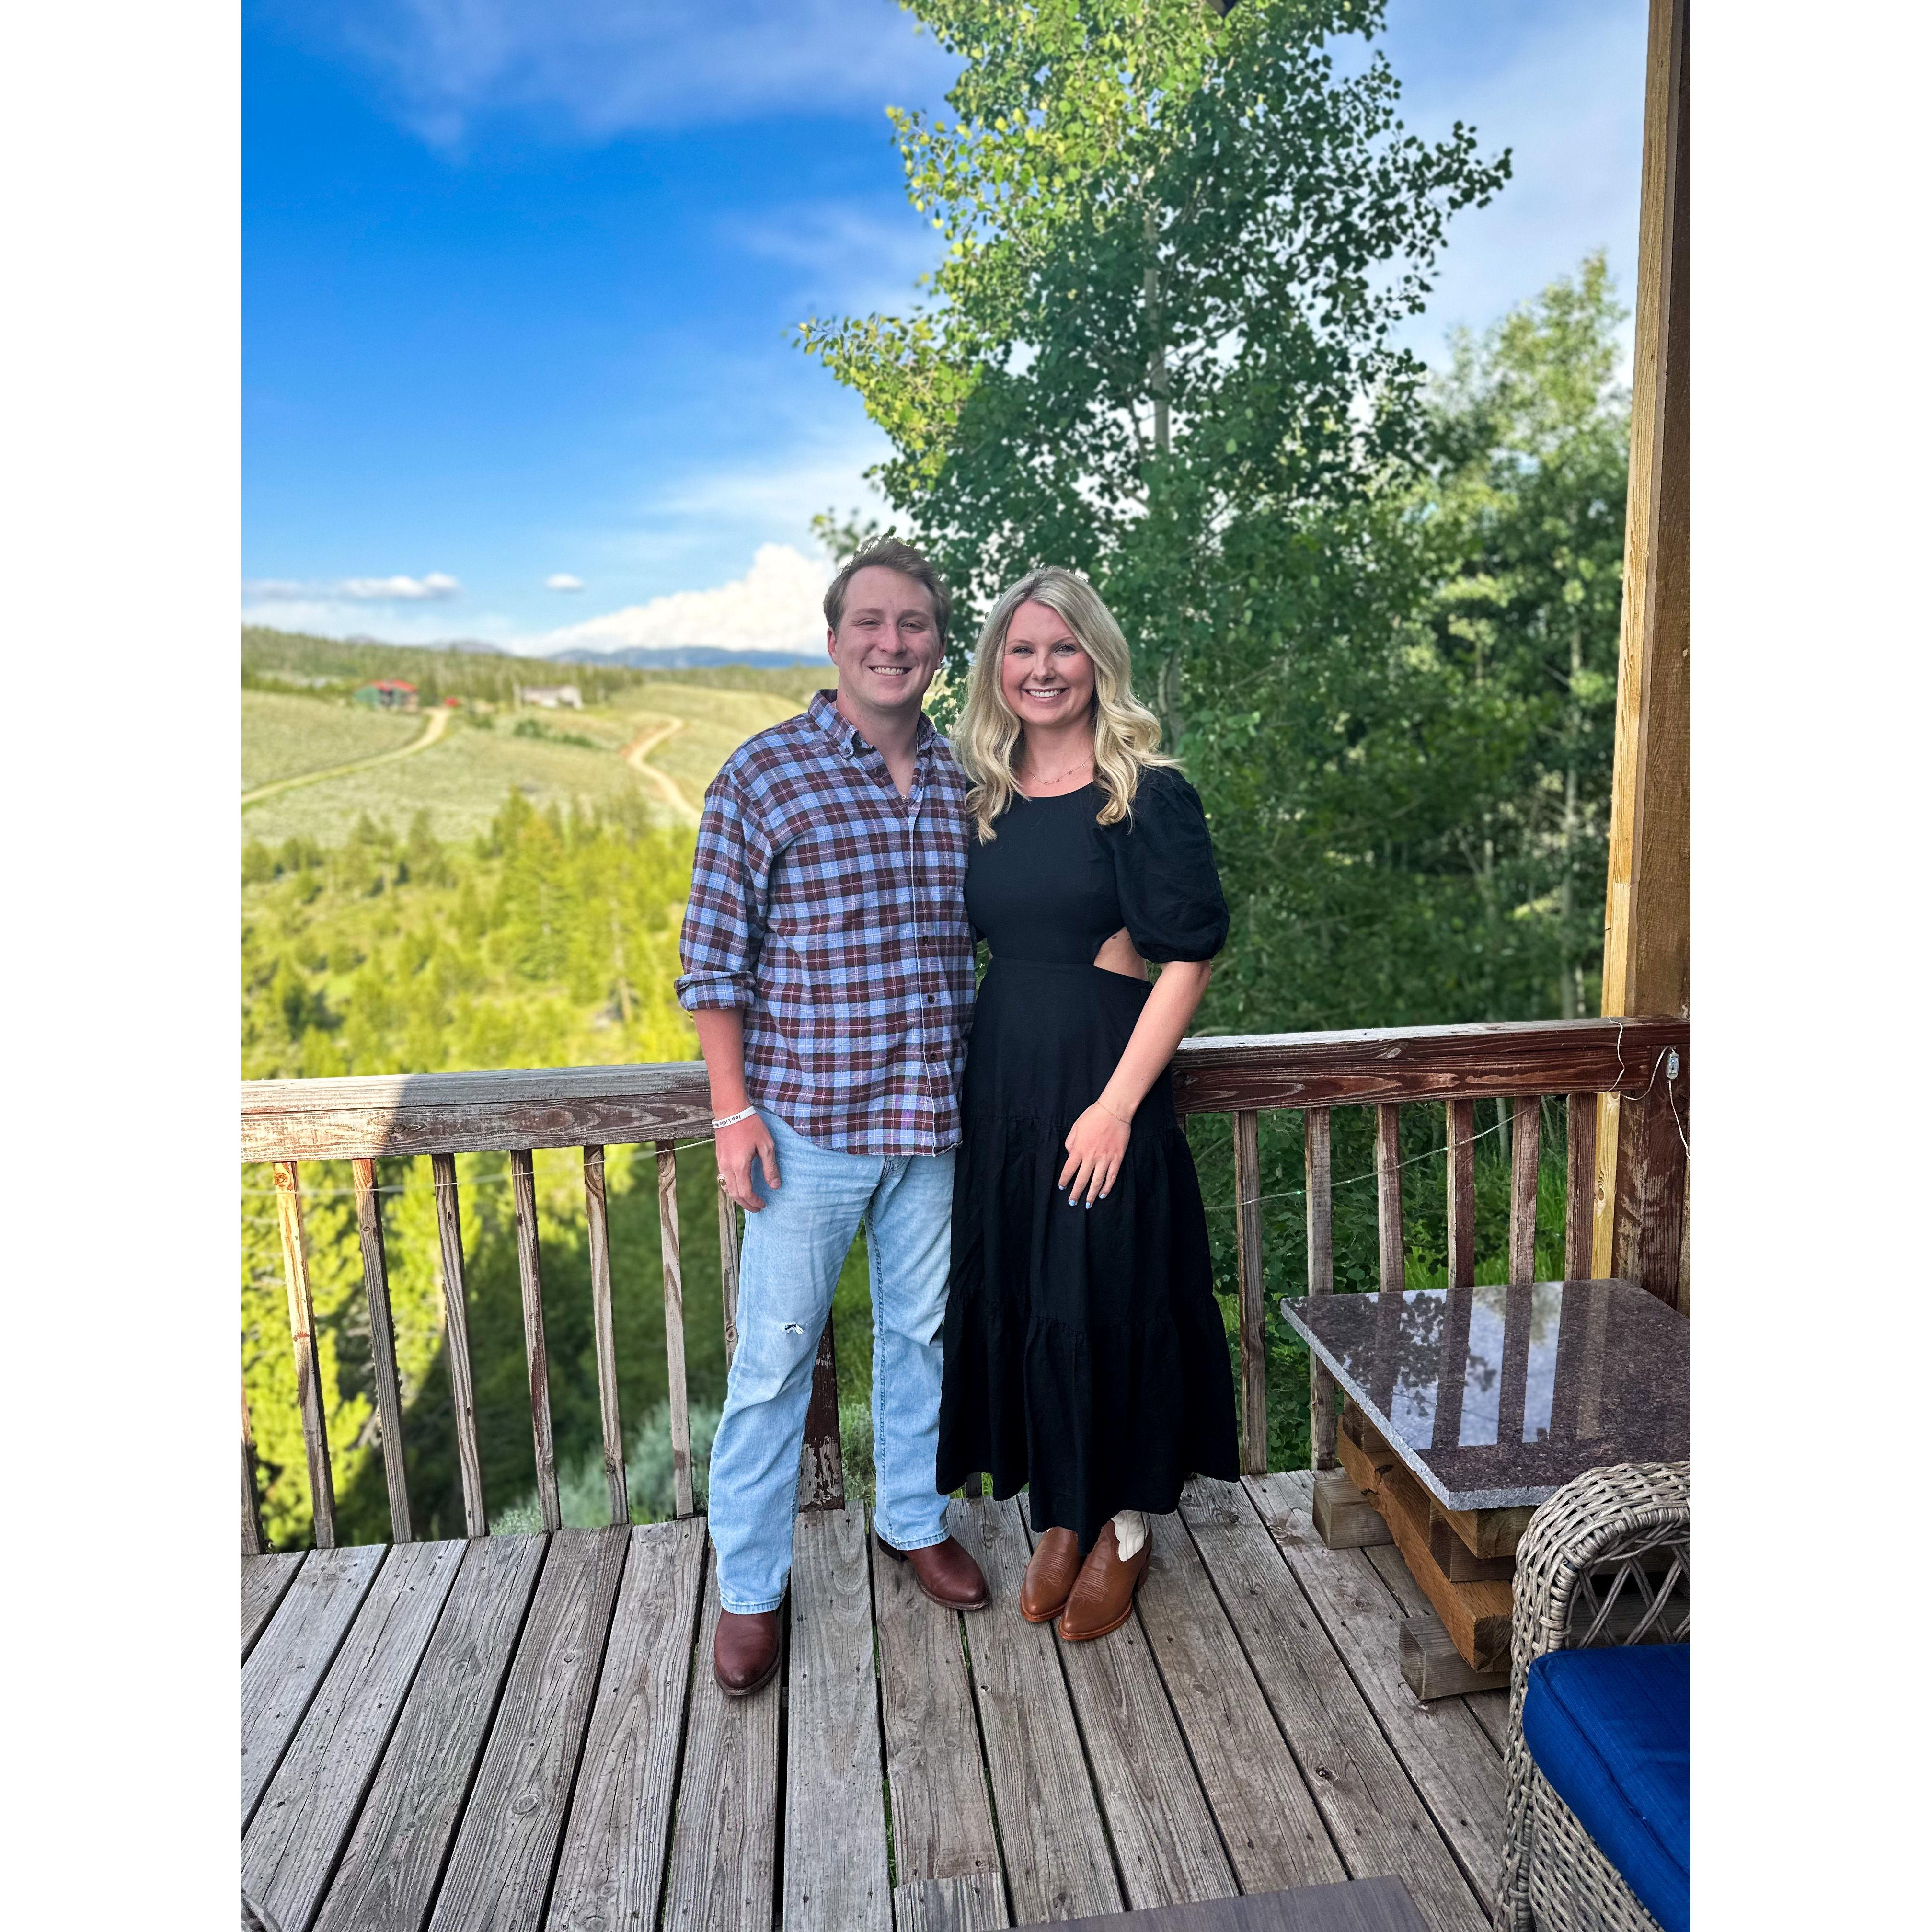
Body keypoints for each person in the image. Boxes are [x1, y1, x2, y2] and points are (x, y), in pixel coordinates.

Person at [677, 535, 990, 1697]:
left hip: (934, 1125)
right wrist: (732, 1114)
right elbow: (713, 963)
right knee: (773, 1364)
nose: (892, 643)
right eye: (871, 621)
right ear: (833, 639)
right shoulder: (765, 775)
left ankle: (911, 1519)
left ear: (938, 647)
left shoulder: (966, 781)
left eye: (914, 624)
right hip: (806, 1128)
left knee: (923, 1339)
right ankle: (751, 1588)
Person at [935, 566, 1239, 1641]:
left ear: (1097, 659)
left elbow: (1188, 960)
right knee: (1030, 1290)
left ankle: (1125, 1526)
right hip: (1004, 1081)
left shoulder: (1142, 791)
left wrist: (1115, 1108)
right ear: (996, 667)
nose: (1042, 669)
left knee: (1105, 1293)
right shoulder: (980, 793)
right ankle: (1063, 1515)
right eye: (1021, 650)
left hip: (1106, 1078)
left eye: (1062, 648)